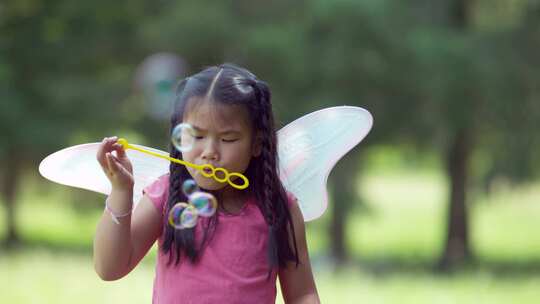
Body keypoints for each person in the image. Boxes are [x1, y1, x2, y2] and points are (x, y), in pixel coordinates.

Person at [93, 63, 320, 303]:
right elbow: (110, 268)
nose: (209, 152)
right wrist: (121, 191)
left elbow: (302, 293)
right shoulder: (167, 195)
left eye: (227, 138)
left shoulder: (277, 208)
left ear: (256, 144)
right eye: (197, 136)